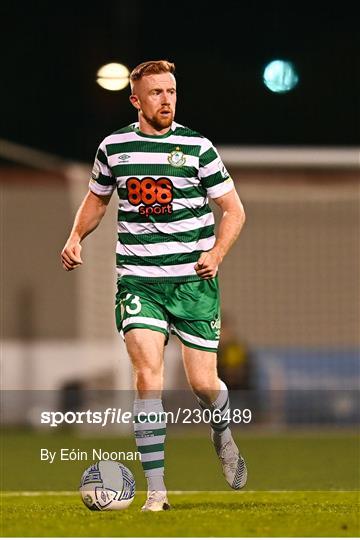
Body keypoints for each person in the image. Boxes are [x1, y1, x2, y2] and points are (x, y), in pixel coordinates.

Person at [61, 60, 247, 511]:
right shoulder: (115, 146)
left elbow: (234, 211)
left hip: (193, 281)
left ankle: (221, 431)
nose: (167, 99)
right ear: (136, 100)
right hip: (139, 281)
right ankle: (157, 492)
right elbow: (97, 199)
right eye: (157, 92)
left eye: (172, 91)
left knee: (204, 384)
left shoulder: (198, 148)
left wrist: (216, 254)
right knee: (148, 377)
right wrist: (75, 236)